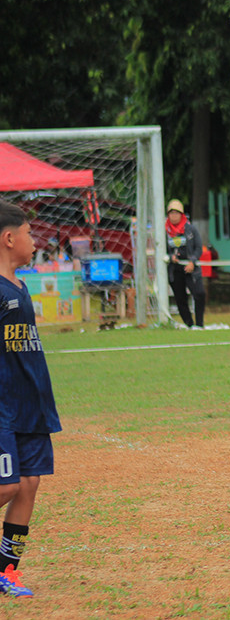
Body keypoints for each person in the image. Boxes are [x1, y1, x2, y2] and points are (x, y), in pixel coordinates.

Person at [0, 200, 63, 597]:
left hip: (32, 405)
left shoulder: (20, 286)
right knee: (5, 486)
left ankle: (7, 572)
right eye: (28, 233)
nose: (34, 241)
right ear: (8, 238)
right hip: (2, 407)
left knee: (28, 484)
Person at [165, 199, 206, 329]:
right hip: (175, 270)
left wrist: (192, 261)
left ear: (181, 214)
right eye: (171, 213)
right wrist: (171, 257)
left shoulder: (191, 230)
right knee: (180, 298)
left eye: (176, 213)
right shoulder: (164, 231)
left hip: (190, 268)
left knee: (199, 293)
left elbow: (199, 248)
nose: (174, 216)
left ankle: (199, 324)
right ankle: (189, 324)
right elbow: (161, 248)